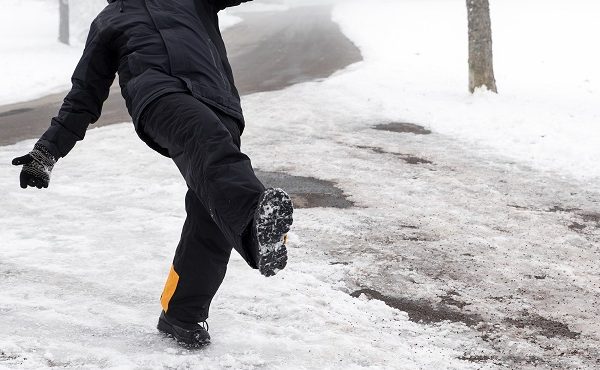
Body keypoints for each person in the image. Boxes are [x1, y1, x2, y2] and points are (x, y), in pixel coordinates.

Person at [11, 0, 293, 347]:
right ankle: (254, 228)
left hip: (219, 103)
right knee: (207, 143)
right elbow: (85, 94)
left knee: (211, 210)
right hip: (158, 97)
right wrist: (46, 151)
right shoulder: (109, 21)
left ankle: (180, 314)